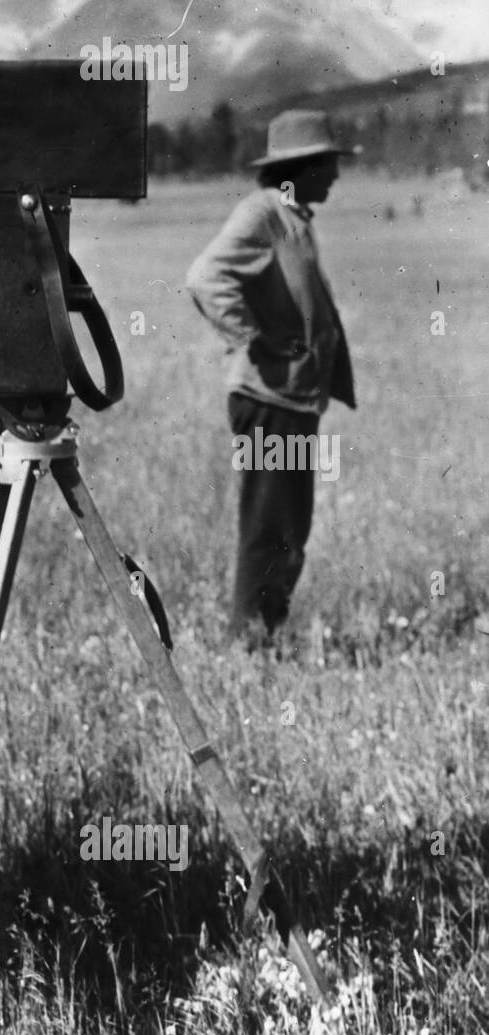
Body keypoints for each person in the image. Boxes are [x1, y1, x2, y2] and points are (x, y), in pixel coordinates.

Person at [186, 109, 358, 645]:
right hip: (269, 400)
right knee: (270, 524)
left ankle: (265, 632)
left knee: (289, 526)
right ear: (300, 167)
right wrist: (251, 337)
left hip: (290, 401)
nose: (334, 175)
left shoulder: (292, 216)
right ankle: (249, 641)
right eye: (327, 164)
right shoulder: (262, 213)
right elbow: (205, 277)